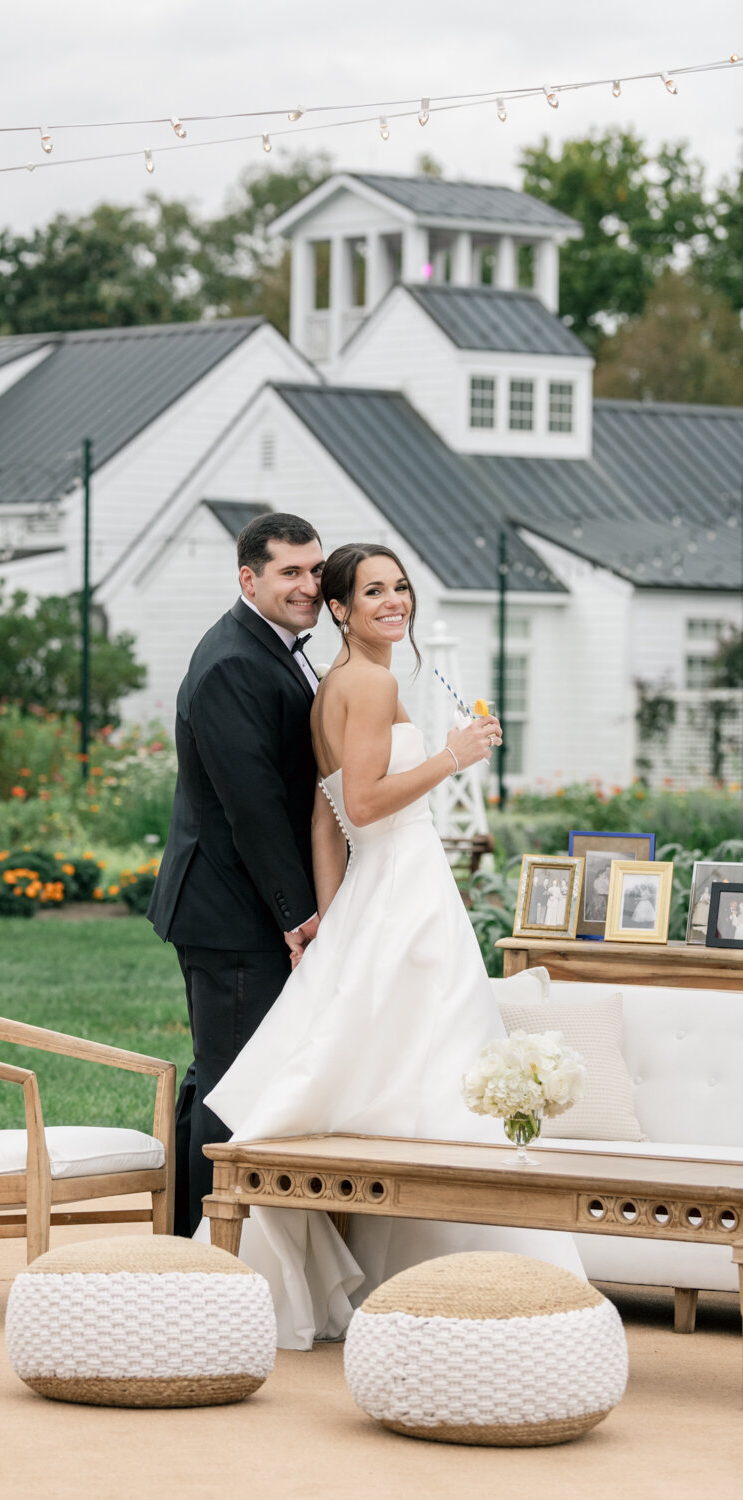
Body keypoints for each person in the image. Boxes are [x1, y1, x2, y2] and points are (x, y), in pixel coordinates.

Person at [206, 543, 586, 1349]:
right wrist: (457, 754)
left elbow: (326, 815)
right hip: (409, 900)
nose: (394, 601)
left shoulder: (334, 685)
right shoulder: (371, 682)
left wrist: (332, 922)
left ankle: (421, 1280)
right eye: (373, 591)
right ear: (339, 609)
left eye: (402, 586)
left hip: (385, 900)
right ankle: (490, 1293)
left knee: (407, 1080)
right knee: (441, 1077)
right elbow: (368, 804)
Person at [148, 512, 325, 1237]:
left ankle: (183, 1237)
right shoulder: (231, 664)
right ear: (248, 578)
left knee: (217, 1073)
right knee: (229, 1083)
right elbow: (252, 805)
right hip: (230, 911)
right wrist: (296, 915)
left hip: (241, 904)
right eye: (290, 572)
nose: (308, 586)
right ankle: (202, 1251)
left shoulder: (276, 649)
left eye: (315, 570)